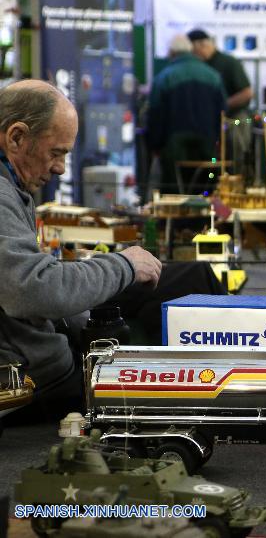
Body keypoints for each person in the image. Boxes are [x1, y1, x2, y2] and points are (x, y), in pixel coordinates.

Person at [0, 80, 162, 406]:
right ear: (16, 137)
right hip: (35, 380)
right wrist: (124, 265)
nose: (60, 168)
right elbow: (31, 290)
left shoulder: (13, 188)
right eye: (55, 153)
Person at [148, 35, 226, 193]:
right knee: (207, 186)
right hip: (207, 147)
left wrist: (155, 144)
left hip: (174, 148)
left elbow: (155, 114)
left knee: (174, 191)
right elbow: (223, 111)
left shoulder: (164, 77)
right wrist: (217, 141)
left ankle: (178, 217)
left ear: (172, 53)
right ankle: (205, 216)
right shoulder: (213, 76)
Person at [188, 29, 254, 177]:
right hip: (209, 118)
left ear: (201, 46)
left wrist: (223, 105)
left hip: (234, 116)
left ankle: (237, 177)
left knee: (236, 138)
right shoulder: (199, 66)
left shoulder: (229, 63)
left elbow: (247, 93)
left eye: (193, 51)